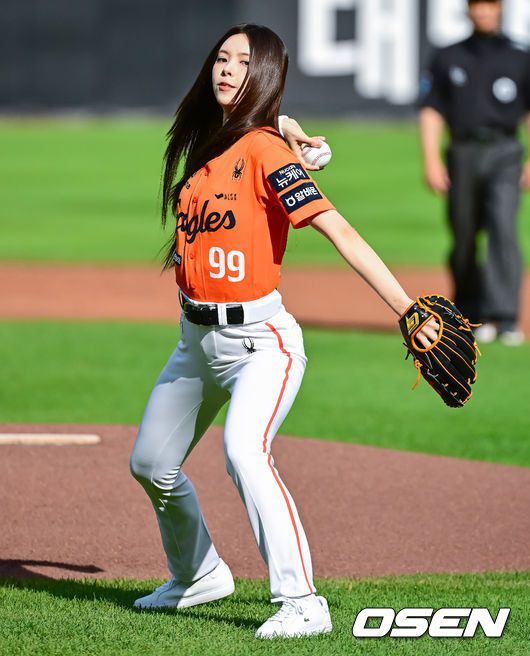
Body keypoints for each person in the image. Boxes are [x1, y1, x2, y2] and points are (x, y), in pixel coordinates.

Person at [129, 23, 437, 640]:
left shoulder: (267, 153)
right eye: (221, 58)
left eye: (243, 62)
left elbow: (337, 229)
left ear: (264, 74)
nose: (226, 69)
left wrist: (407, 307)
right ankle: (198, 575)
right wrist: (288, 126)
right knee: (151, 463)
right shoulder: (212, 138)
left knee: (245, 452)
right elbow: (263, 123)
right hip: (194, 343)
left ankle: (302, 602)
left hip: (260, 345)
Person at [419, 0, 530, 346]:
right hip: (462, 151)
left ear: (500, 9)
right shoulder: (448, 56)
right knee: (464, 234)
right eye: (477, 5)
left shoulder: (520, 56)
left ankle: (505, 317)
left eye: (490, 5)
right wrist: (431, 160)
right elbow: (432, 110)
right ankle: (471, 312)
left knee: (503, 229)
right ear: (468, 10)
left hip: (505, 151)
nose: (483, 12)